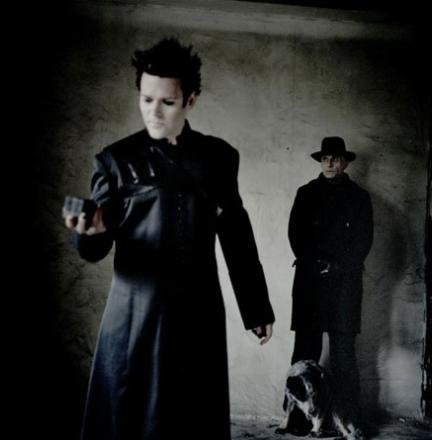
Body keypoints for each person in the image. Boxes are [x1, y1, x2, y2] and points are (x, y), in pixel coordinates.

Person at [63, 38, 275, 440]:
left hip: (198, 313)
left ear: (191, 100)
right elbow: (93, 247)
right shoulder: (115, 160)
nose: (153, 112)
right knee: (132, 422)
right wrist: (89, 232)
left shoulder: (219, 158)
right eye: (146, 100)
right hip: (135, 316)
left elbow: (236, 233)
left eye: (167, 102)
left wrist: (256, 307)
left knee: (193, 421)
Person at [287, 137, 373, 439]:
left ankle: (348, 422)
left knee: (343, 355)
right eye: (325, 158)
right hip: (310, 282)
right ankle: (298, 420)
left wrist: (337, 266)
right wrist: (316, 264)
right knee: (304, 351)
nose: (330, 163)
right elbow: (295, 235)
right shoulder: (305, 193)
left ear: (345, 162)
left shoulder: (359, 198)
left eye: (335, 158)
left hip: (344, 284)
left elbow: (363, 240)